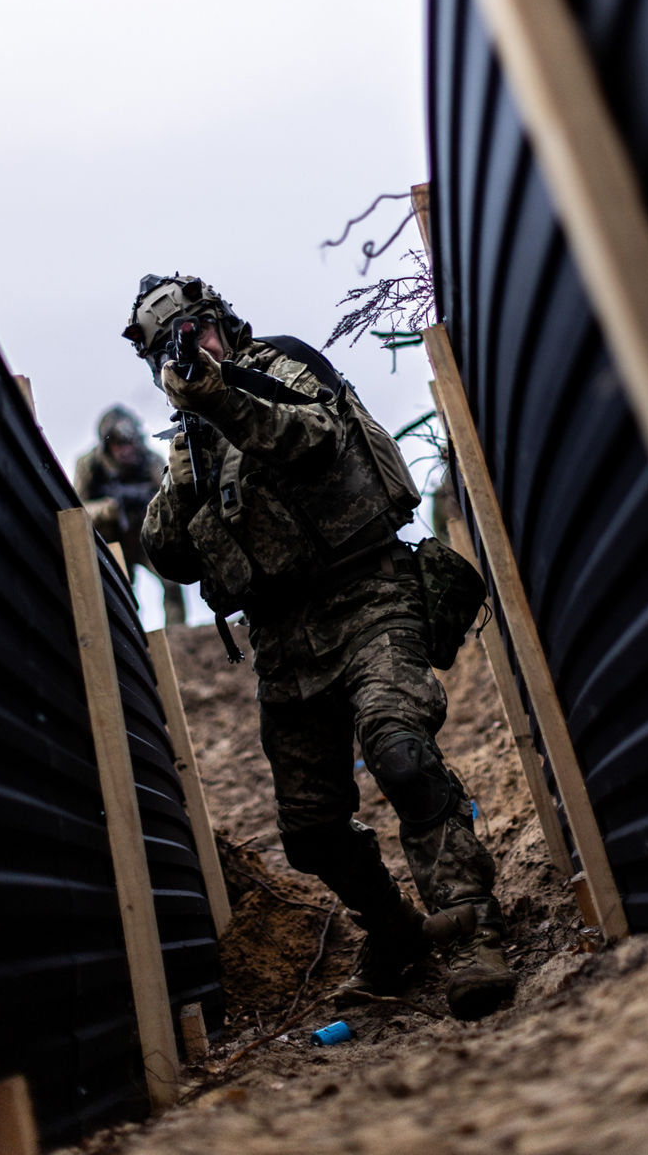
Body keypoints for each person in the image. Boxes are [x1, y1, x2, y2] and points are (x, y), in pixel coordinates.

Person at [123, 273, 516, 1020]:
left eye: (196, 332)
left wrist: (220, 397)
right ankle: (395, 932)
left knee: (398, 748)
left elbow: (314, 441)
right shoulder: (191, 439)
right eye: (167, 352)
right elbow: (166, 553)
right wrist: (186, 457)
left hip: (369, 594)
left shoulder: (281, 368)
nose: (190, 352)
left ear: (221, 324)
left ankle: (472, 929)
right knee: (309, 830)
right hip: (281, 638)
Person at [73, 404, 186, 627]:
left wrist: (152, 506)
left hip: (145, 534)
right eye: (119, 444)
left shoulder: (150, 462)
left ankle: (177, 639)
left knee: (172, 581)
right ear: (108, 446)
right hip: (112, 540)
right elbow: (76, 513)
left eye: (130, 443)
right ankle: (134, 642)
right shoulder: (90, 466)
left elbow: (174, 499)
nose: (126, 450)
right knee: (122, 595)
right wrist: (107, 509)